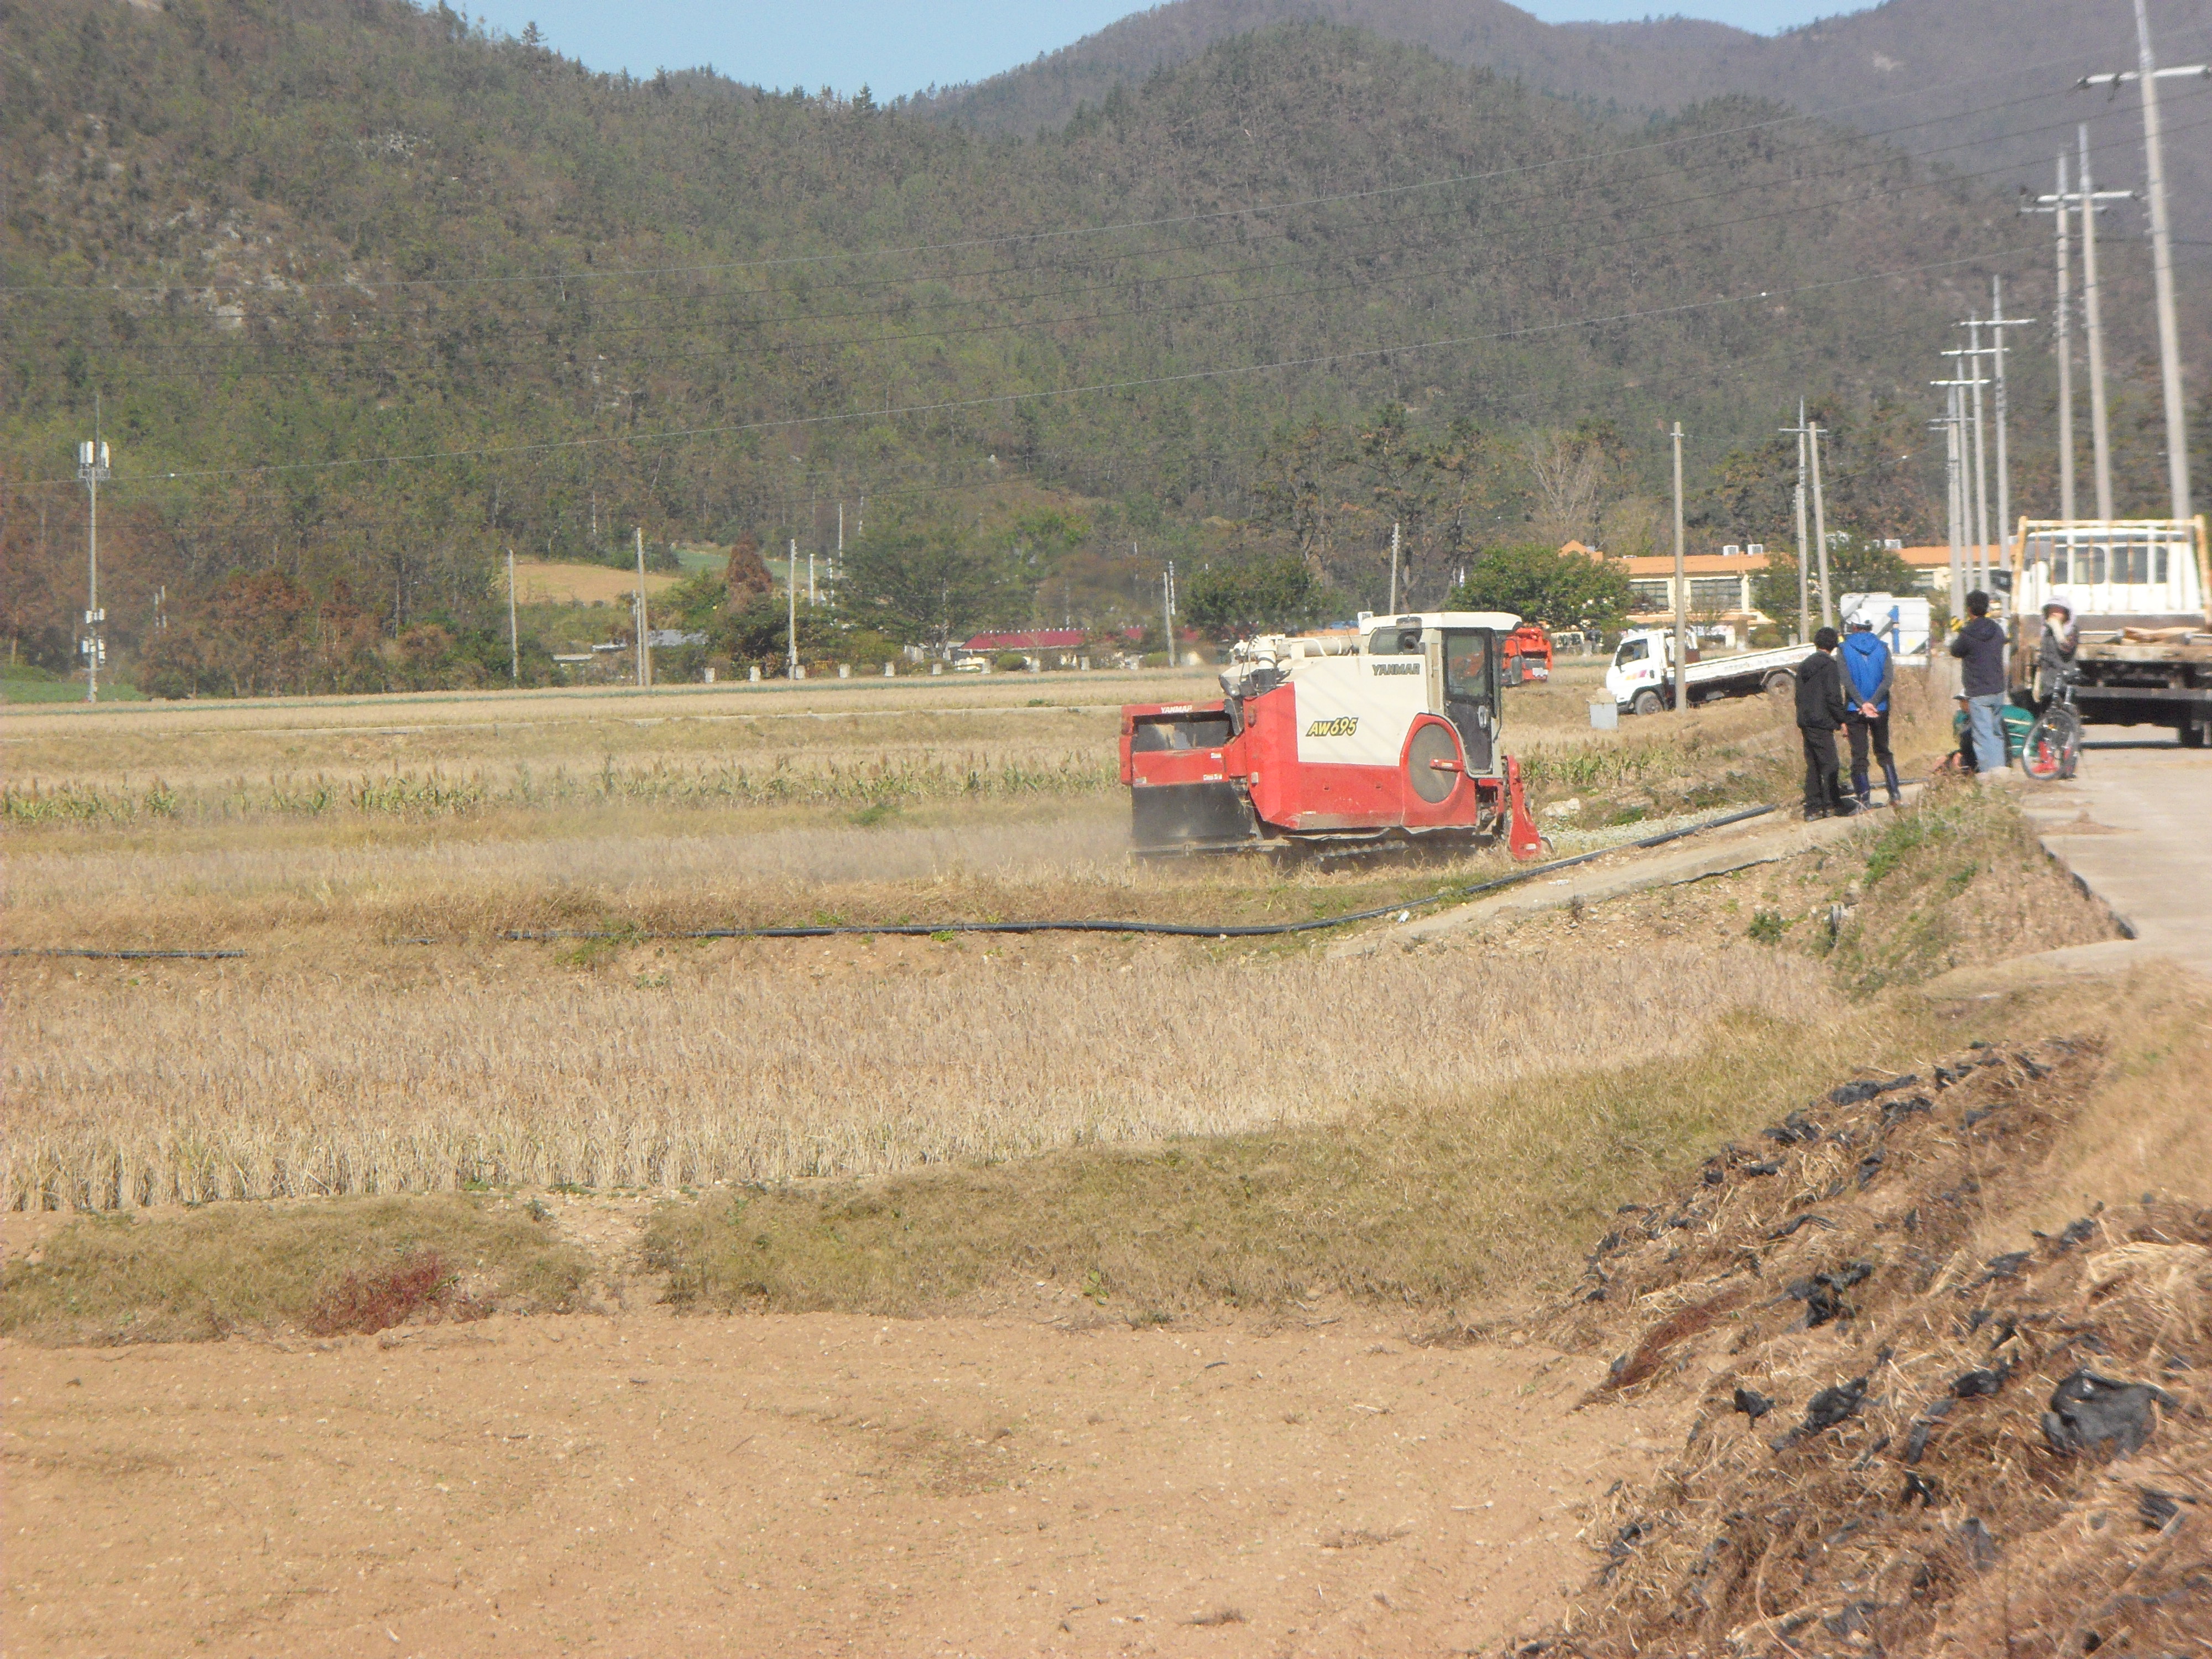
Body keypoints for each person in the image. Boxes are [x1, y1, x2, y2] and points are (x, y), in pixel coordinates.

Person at [1796, 626, 1858, 820]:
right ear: (1834, 646)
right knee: (1831, 763)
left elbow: (1798, 697)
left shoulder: (1805, 665)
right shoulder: (1830, 666)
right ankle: (1833, 804)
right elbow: (1833, 697)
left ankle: (1812, 808)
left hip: (1806, 720)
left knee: (1813, 765)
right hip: (1822, 721)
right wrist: (1842, 720)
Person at [1839, 616, 1901, 808]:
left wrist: (1861, 703)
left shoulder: (1843, 649)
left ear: (1854, 627)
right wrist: (1873, 703)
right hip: (1880, 708)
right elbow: (1888, 679)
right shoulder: (1883, 647)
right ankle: (1895, 794)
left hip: (1854, 709)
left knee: (1859, 754)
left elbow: (1846, 681)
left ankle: (1864, 800)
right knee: (1883, 751)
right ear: (1870, 627)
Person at [1949, 590, 2010, 776]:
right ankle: (2000, 771)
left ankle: (1987, 775)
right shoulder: (1997, 629)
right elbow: (2003, 642)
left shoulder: (1967, 634)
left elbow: (1955, 651)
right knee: (1996, 732)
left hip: (1978, 690)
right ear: (1987, 608)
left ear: (1969, 609)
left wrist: (1960, 631)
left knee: (1982, 735)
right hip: (1998, 688)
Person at [2035, 601, 2078, 707]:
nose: (2054, 613)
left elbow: (2067, 650)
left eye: (2059, 610)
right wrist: (2037, 681)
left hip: (2063, 678)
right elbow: (2043, 656)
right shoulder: (2047, 632)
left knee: (2061, 712)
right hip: (2047, 679)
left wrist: (2058, 631)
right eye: (2051, 609)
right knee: (2046, 713)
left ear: (2066, 614)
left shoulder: (2072, 631)